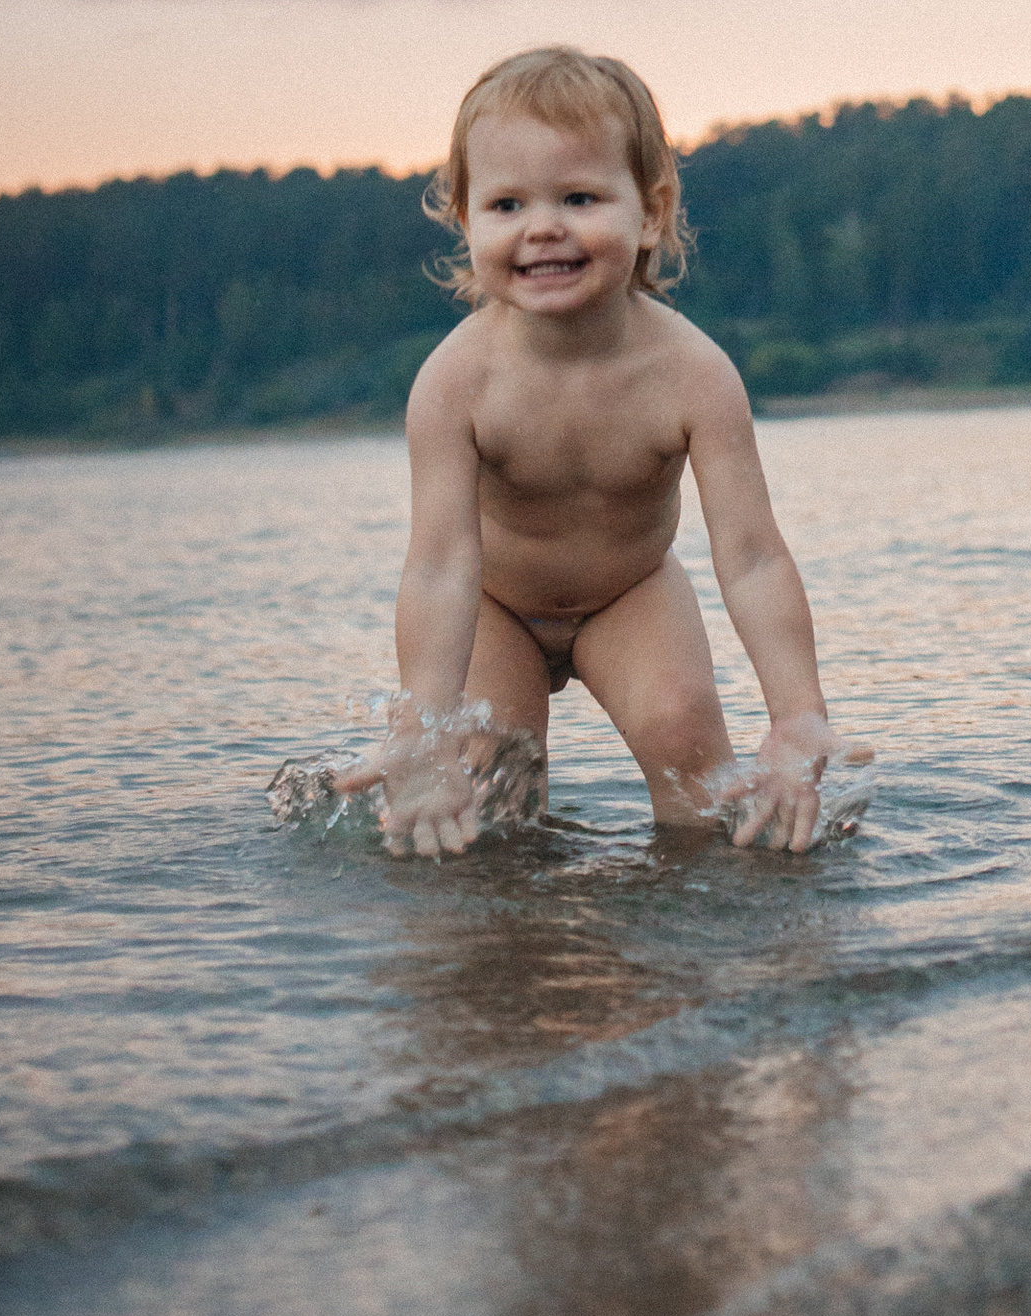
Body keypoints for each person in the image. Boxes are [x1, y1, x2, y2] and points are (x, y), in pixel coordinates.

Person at [344, 42, 849, 857]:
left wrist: (798, 715)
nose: (544, 227)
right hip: (496, 609)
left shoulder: (694, 376)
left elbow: (752, 557)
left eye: (579, 197)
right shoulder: (454, 384)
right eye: (506, 206)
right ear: (465, 219)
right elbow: (439, 567)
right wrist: (421, 730)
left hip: (630, 591)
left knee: (690, 750)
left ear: (649, 213)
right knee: (489, 791)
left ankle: (710, 909)